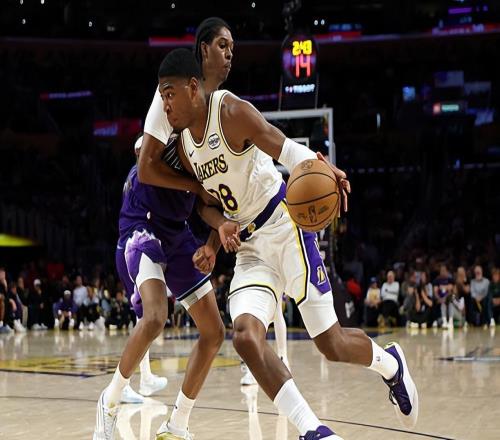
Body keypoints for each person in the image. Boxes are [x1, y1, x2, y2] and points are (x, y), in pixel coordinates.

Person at [157, 48, 418, 439]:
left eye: (169, 93)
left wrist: (322, 167)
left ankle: (391, 364)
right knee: (245, 337)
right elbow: (205, 204)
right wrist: (218, 231)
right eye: (161, 96)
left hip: (285, 227)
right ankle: (313, 430)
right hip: (250, 248)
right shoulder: (183, 148)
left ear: (193, 88)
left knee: (331, 344)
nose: (165, 104)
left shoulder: (230, 111)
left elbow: (281, 145)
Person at [94, 17, 241, 440]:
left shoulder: (220, 112)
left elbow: (214, 203)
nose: (230, 55)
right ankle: (109, 400)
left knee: (214, 331)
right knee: (156, 315)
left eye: (233, 48)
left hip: (176, 224)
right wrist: (194, 184)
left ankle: (177, 424)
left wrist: (214, 240)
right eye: (223, 46)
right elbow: (145, 167)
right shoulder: (171, 97)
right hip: (143, 216)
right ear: (203, 50)